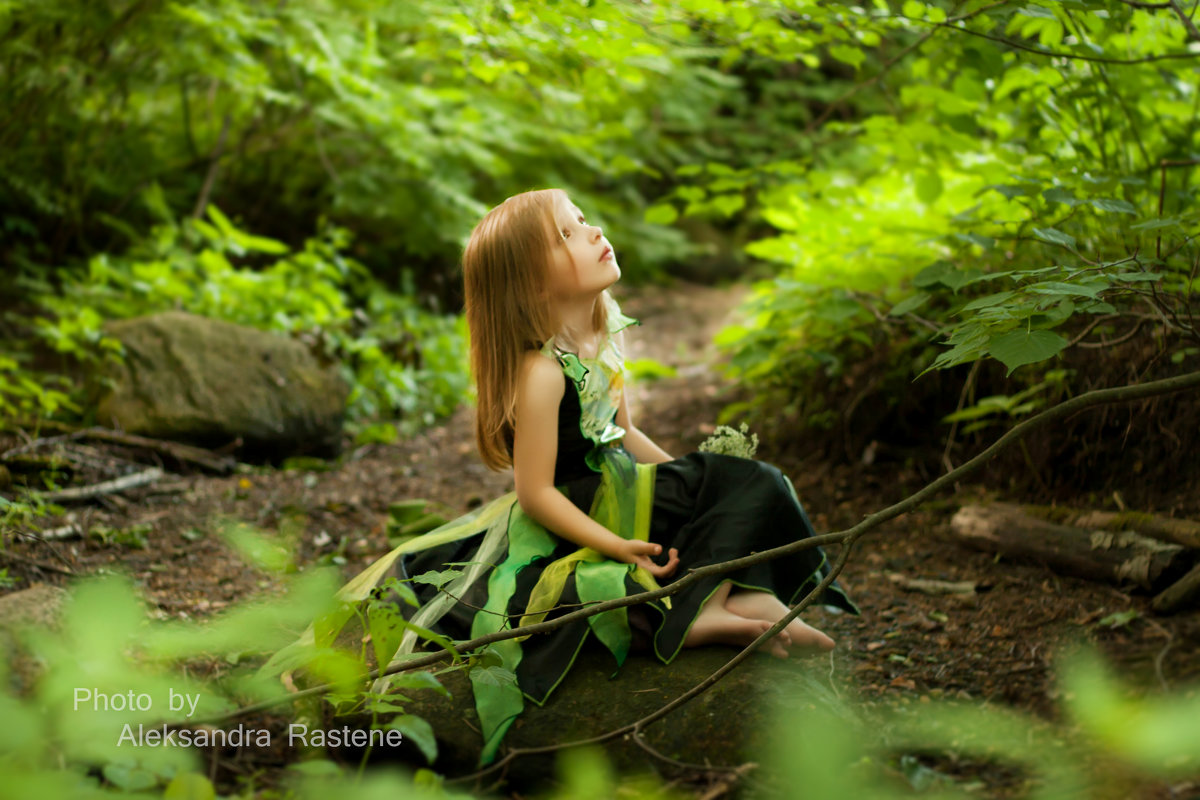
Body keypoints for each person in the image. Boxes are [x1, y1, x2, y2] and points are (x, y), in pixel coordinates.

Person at [307, 188, 857, 766]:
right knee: (738, 493)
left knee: (745, 484)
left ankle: (744, 598)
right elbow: (535, 492)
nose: (593, 232)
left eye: (584, 221)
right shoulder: (540, 374)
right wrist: (614, 543)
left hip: (623, 490)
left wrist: (698, 484)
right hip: (579, 511)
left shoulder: (605, 332)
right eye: (566, 235)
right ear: (531, 284)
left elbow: (623, 433)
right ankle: (701, 612)